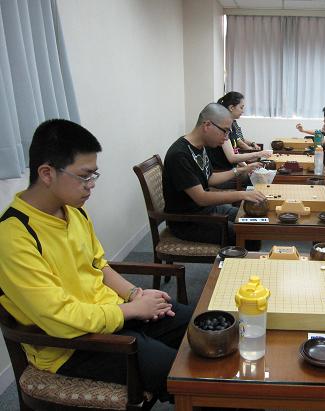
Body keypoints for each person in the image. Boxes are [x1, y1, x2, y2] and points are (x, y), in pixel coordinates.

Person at [0, 119, 191, 403]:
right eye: (84, 176)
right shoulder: (14, 236)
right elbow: (60, 319)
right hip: (73, 345)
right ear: (47, 173)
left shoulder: (73, 211)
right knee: (182, 373)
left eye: (94, 175)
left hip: (113, 315)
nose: (91, 186)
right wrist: (132, 310)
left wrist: (135, 294)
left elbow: (99, 265)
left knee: (197, 326)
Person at [163, 103, 266, 245]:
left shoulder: (200, 146)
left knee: (252, 221)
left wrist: (241, 170)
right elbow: (201, 198)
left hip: (205, 211)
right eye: (225, 131)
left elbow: (210, 178)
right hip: (188, 221)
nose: (226, 138)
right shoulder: (180, 155)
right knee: (249, 236)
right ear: (207, 125)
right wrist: (243, 194)